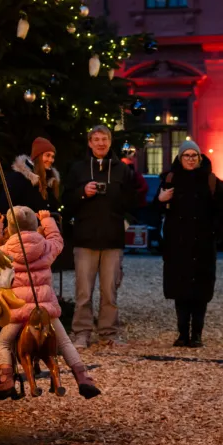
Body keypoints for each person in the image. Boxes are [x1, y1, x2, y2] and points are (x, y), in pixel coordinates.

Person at [0, 207, 100, 398]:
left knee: (3, 342)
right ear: (35, 225)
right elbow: (57, 239)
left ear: (11, 229)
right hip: (44, 308)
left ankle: (5, 379)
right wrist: (47, 220)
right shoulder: (46, 247)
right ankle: (83, 378)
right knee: (64, 342)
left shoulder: (5, 251)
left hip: (20, 309)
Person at [64, 125, 135, 349]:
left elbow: (133, 200)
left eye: (104, 139)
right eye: (96, 139)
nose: (101, 143)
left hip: (113, 239)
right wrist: (82, 193)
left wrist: (126, 222)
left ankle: (108, 333)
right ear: (90, 143)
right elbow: (67, 201)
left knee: (109, 291)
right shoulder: (78, 169)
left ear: (110, 142)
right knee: (84, 292)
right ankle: (82, 332)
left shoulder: (122, 170)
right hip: (85, 238)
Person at [153, 140, 223, 347]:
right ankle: (183, 333)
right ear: (180, 158)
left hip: (203, 243)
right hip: (178, 243)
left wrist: (216, 233)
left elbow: (222, 210)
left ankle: (197, 334)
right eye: (187, 155)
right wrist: (160, 199)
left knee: (200, 291)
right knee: (181, 289)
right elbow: (155, 210)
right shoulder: (170, 179)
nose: (191, 159)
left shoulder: (211, 180)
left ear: (200, 158)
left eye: (194, 156)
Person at [0, 137, 61, 215]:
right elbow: (5, 208)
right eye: (47, 155)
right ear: (38, 156)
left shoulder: (50, 180)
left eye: (53, 157)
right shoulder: (18, 178)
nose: (51, 160)